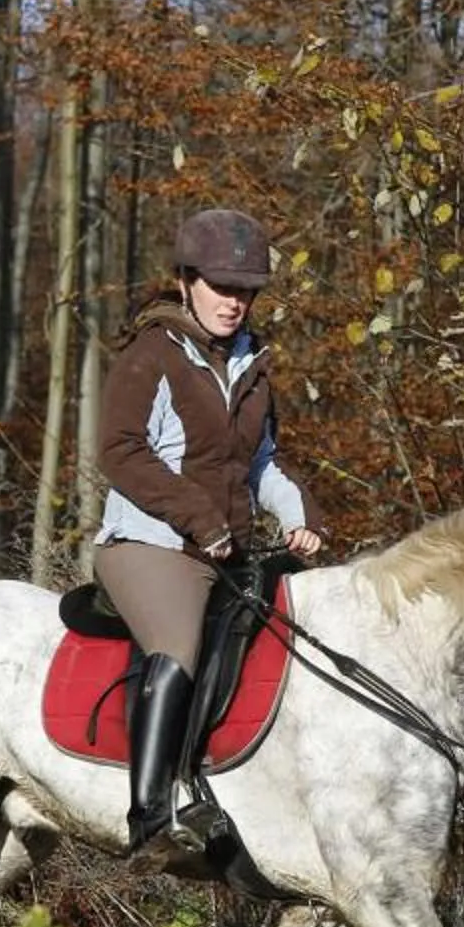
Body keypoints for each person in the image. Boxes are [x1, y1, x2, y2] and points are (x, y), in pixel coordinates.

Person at [93, 206, 323, 857]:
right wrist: (200, 519)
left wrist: (300, 516)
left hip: (226, 546)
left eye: (246, 290)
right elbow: (120, 451)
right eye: (223, 287)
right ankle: (150, 821)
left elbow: (262, 462)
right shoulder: (153, 354)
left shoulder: (252, 364)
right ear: (187, 280)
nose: (235, 302)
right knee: (178, 646)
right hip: (150, 544)